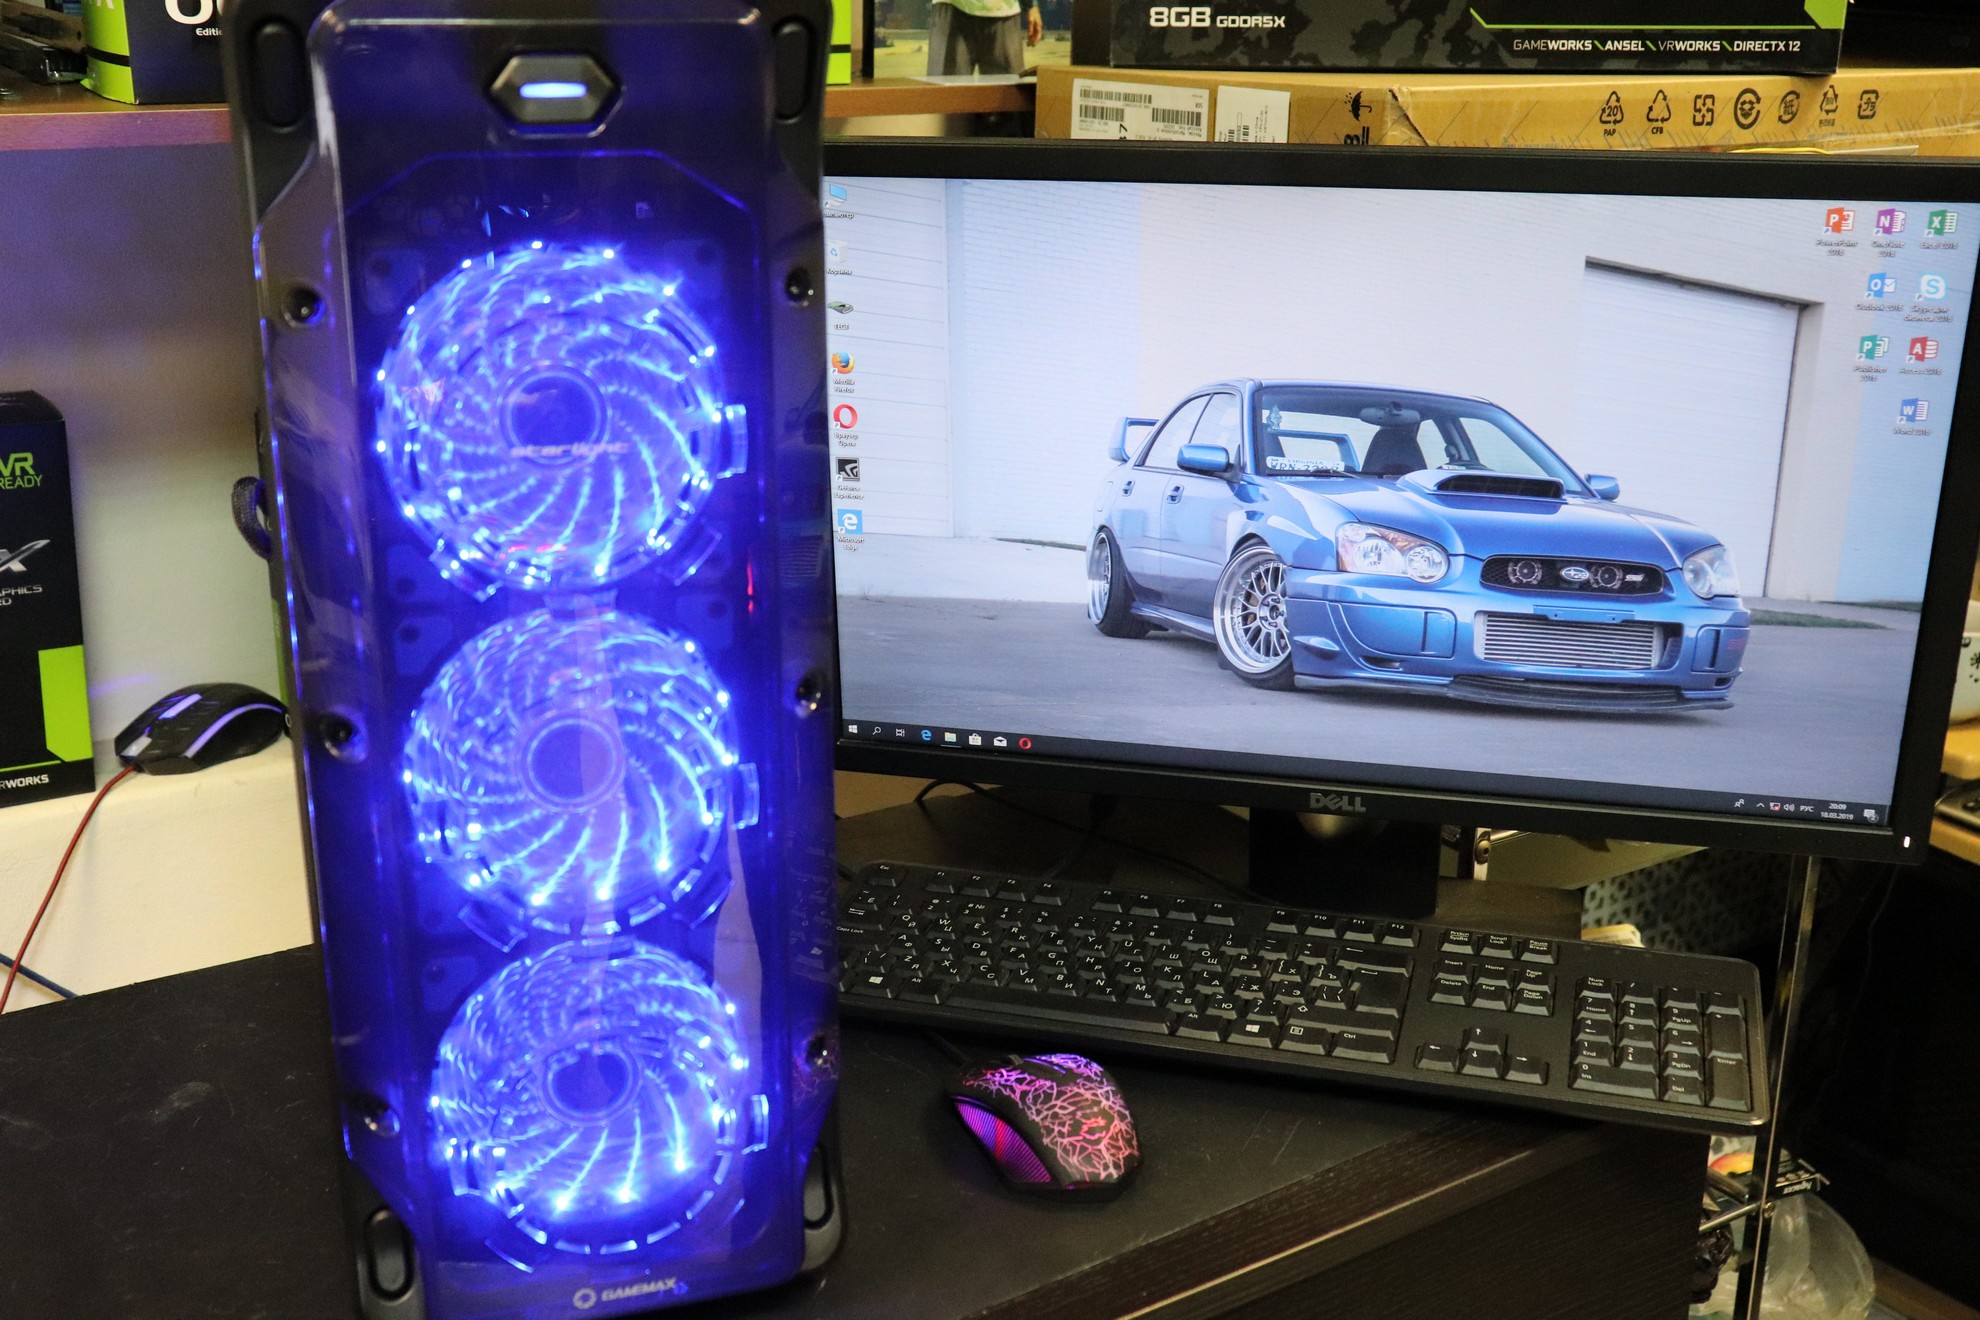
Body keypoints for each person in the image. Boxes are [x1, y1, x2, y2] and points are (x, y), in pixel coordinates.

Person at [926, 0, 1041, 75]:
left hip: (1004, 11)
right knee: (947, 97)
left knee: (1008, 97)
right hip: (952, 8)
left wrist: (1031, 5)